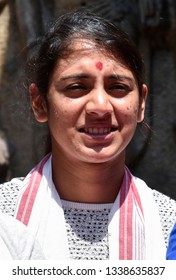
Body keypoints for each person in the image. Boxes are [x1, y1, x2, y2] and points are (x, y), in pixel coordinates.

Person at [0, 9, 175, 260]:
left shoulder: (168, 227)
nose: (100, 106)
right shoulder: (5, 219)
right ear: (39, 103)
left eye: (118, 87)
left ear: (142, 104)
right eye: (76, 87)